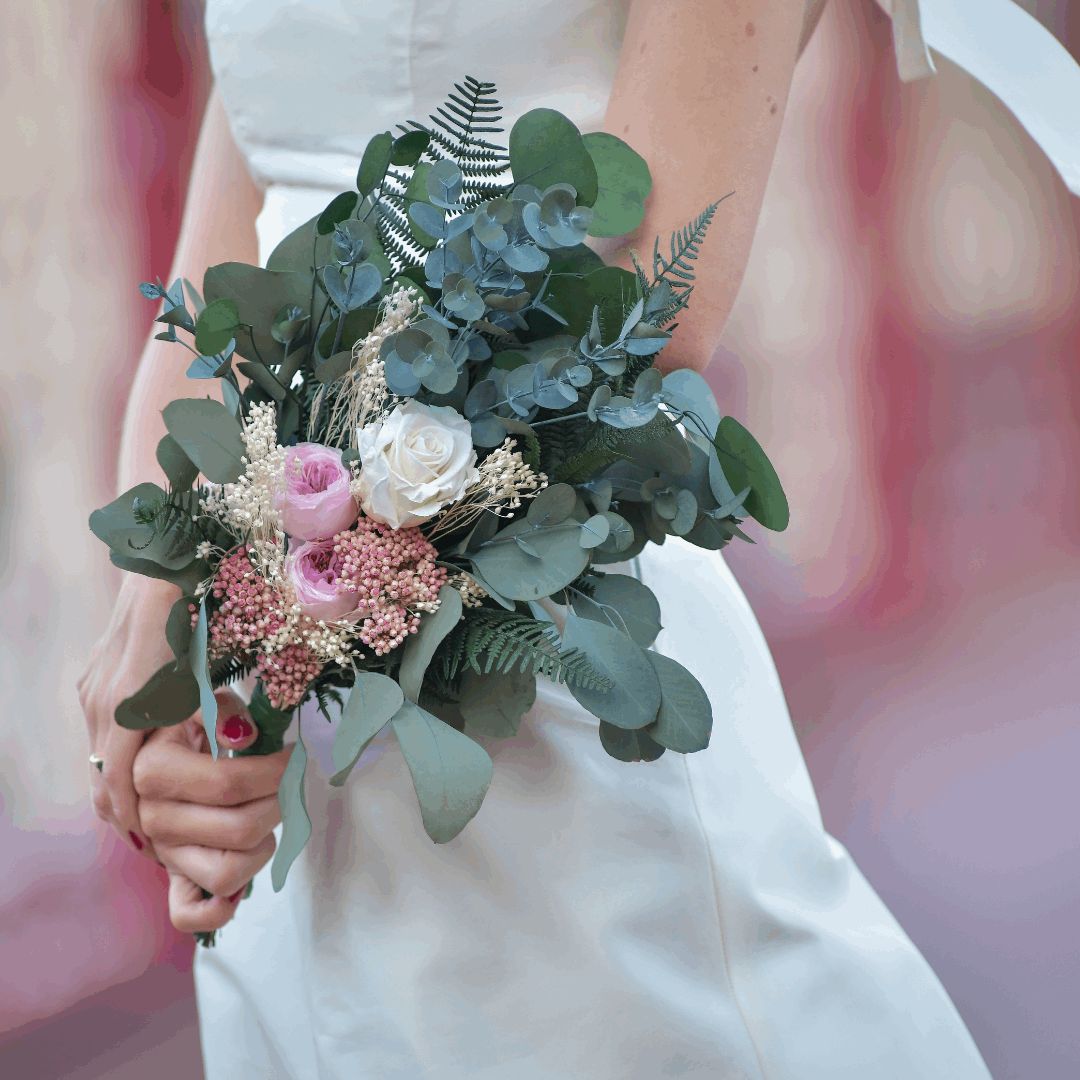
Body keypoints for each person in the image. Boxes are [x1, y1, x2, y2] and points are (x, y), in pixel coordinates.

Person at [79, 1, 1041, 1075]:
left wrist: (287, 582)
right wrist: (166, 608)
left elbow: (643, 306)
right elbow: (240, 206)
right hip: (290, 727)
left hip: (542, 644)